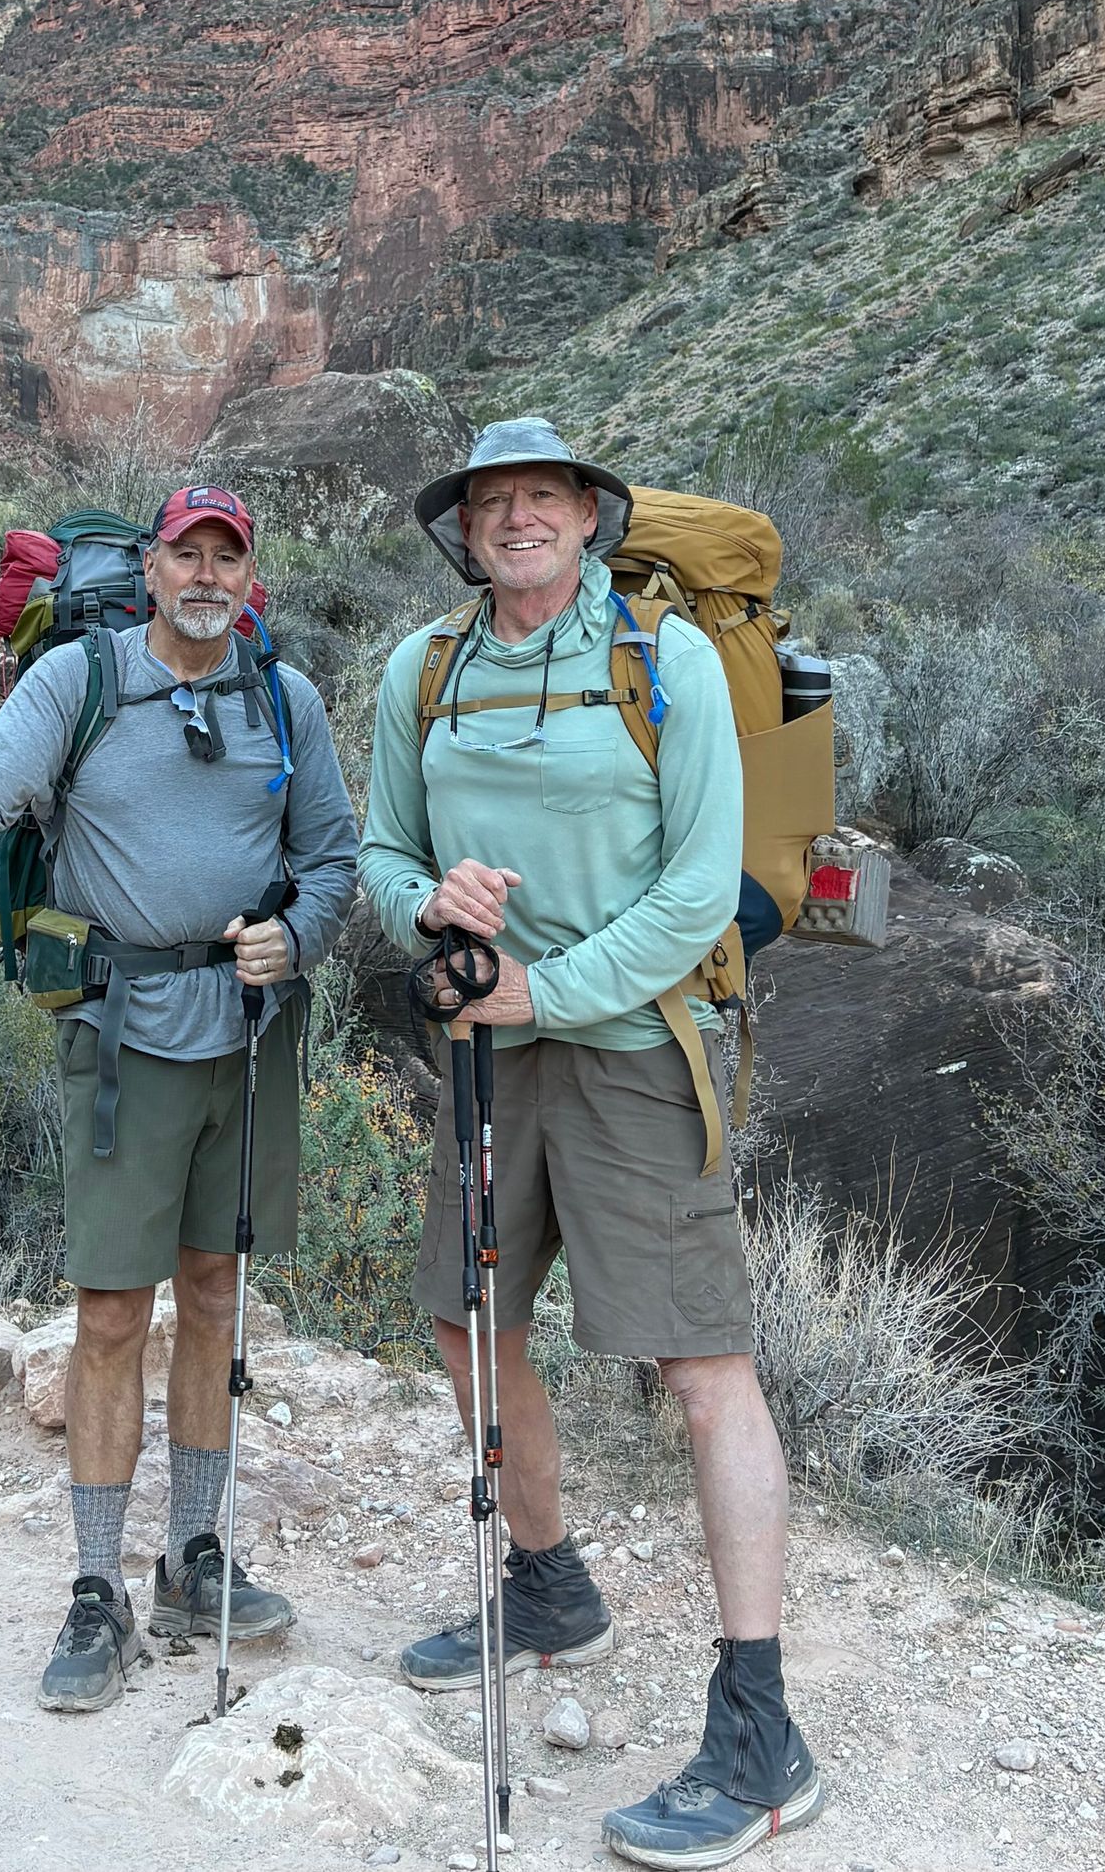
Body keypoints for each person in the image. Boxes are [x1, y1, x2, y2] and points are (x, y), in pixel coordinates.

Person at [358, 418, 820, 1868]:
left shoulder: (661, 659)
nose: (516, 520)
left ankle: (761, 1730)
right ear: (464, 527)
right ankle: (548, 1585)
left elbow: (696, 895)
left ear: (588, 515)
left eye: (542, 497)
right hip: (487, 1052)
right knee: (464, 1325)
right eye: (492, 502)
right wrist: (434, 908)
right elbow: (380, 851)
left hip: (627, 1053)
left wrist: (545, 982)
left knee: (702, 1370)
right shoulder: (424, 669)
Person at [0, 483, 358, 1714]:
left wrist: (295, 940)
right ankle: (95, 1585)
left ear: (250, 576)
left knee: (216, 1292)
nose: (207, 574)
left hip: (245, 1037)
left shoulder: (284, 701)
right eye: (189, 552)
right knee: (113, 1314)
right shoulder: (78, 683)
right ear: (150, 565)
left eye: (228, 557)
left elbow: (335, 860)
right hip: (120, 1038)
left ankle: (192, 1558)